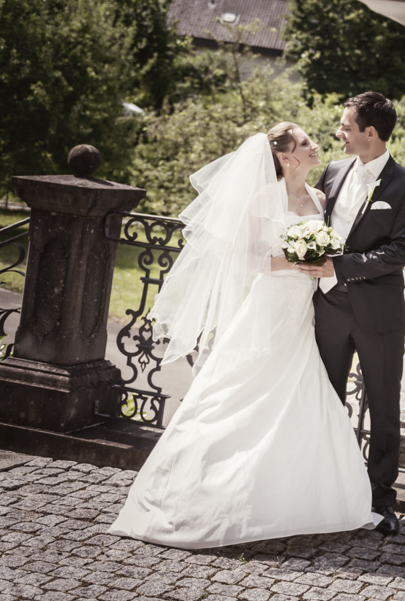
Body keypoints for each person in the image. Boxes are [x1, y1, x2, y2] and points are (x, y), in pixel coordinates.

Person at [110, 124, 379, 549]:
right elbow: (247, 257)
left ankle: (297, 499)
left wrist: (318, 259)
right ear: (287, 158)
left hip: (301, 312)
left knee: (300, 392)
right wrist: (297, 259)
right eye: (306, 143)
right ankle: (200, 495)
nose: (316, 146)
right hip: (268, 307)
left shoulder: (319, 199)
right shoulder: (260, 199)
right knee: (238, 392)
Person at [299, 92, 405, 536]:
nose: (339, 133)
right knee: (325, 402)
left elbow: (399, 252)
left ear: (370, 133)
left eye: (346, 127)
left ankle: (381, 501)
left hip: (379, 314)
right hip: (329, 307)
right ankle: (326, 491)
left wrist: (341, 265)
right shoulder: (333, 171)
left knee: (384, 408)